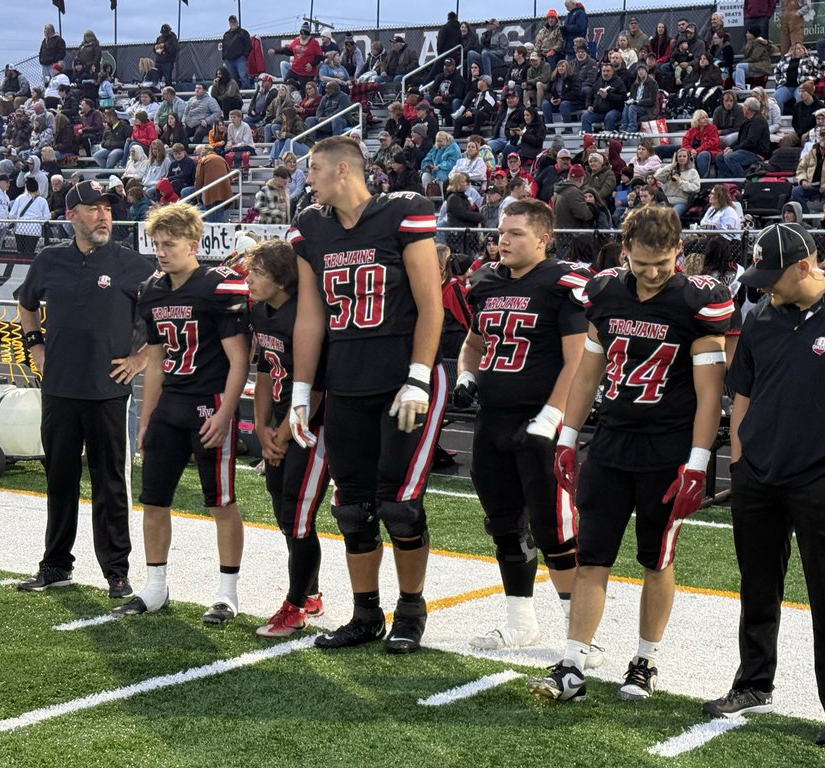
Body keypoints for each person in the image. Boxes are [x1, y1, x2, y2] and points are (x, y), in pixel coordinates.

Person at [704, 222, 825, 749]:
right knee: (756, 586)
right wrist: (740, 461)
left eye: (773, 276)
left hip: (820, 479)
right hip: (758, 476)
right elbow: (743, 393)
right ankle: (753, 683)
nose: (765, 287)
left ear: (804, 266)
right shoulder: (761, 316)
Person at [527, 204, 732, 702]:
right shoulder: (605, 292)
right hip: (612, 442)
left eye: (662, 263)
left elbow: (709, 395)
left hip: (667, 448)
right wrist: (568, 438)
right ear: (625, 252)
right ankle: (573, 664)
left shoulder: (697, 302)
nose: (653, 273)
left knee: (656, 559)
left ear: (678, 251)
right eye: (642, 263)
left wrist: (698, 463)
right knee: (592, 555)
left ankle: (645, 660)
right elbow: (588, 373)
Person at [287, 135, 445, 653]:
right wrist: (302, 390)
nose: (307, 179)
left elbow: (431, 304)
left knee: (399, 506)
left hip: (402, 380)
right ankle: (365, 613)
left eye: (314, 168)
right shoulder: (311, 227)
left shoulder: (402, 212)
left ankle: (411, 610)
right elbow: (310, 317)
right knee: (353, 508)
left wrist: (419, 375)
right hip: (347, 381)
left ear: (342, 170)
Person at [452, 198, 601, 659]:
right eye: (502, 232)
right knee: (503, 525)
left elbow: (578, 360)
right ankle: (521, 623)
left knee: (555, 529)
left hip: (541, 424)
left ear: (543, 239)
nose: (504, 240)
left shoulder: (562, 283)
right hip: (493, 420)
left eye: (516, 233)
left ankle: (580, 637)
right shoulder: (486, 281)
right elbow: (473, 343)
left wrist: (552, 416)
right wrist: (466, 376)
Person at [15, 181, 155, 597]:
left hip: (109, 392)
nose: (103, 216)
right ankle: (56, 565)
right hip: (60, 390)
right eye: (93, 208)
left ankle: (116, 571)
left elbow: (164, 318)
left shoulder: (132, 264)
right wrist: (35, 347)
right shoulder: (49, 259)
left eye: (107, 208)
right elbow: (26, 304)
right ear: (71, 216)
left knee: (110, 485)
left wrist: (140, 359)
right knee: (59, 480)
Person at [117, 202, 250, 625]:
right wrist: (145, 421)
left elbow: (240, 360)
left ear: (193, 245)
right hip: (171, 406)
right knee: (153, 500)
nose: (161, 251)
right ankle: (155, 587)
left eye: (169, 244)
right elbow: (155, 363)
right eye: (156, 244)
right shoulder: (153, 289)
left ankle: (227, 594)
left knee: (220, 502)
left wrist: (226, 413)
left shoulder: (218, 285)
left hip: (210, 403)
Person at [242, 239, 331, 637]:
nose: (249, 279)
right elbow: (264, 370)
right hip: (282, 422)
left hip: (313, 427)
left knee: (297, 516)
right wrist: (263, 426)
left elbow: (317, 387)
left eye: (258, 272)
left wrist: (282, 433)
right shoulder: (261, 311)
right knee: (284, 512)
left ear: (281, 279)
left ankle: (295, 607)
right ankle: (309, 593)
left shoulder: (305, 315)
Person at [9, 175, 50, 254]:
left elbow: (12, 214)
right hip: (34, 229)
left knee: (20, 252)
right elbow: (47, 217)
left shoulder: (20, 198)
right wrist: (39, 221)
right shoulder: (42, 201)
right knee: (30, 252)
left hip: (20, 228)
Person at [220, 15, 254, 89]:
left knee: (243, 76)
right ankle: (236, 93)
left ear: (237, 22)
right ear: (229, 23)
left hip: (240, 59)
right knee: (233, 79)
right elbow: (224, 46)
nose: (233, 23)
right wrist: (224, 57)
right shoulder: (226, 34)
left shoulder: (243, 33)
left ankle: (247, 92)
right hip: (229, 61)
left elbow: (249, 45)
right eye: (231, 22)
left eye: (234, 21)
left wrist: (244, 56)